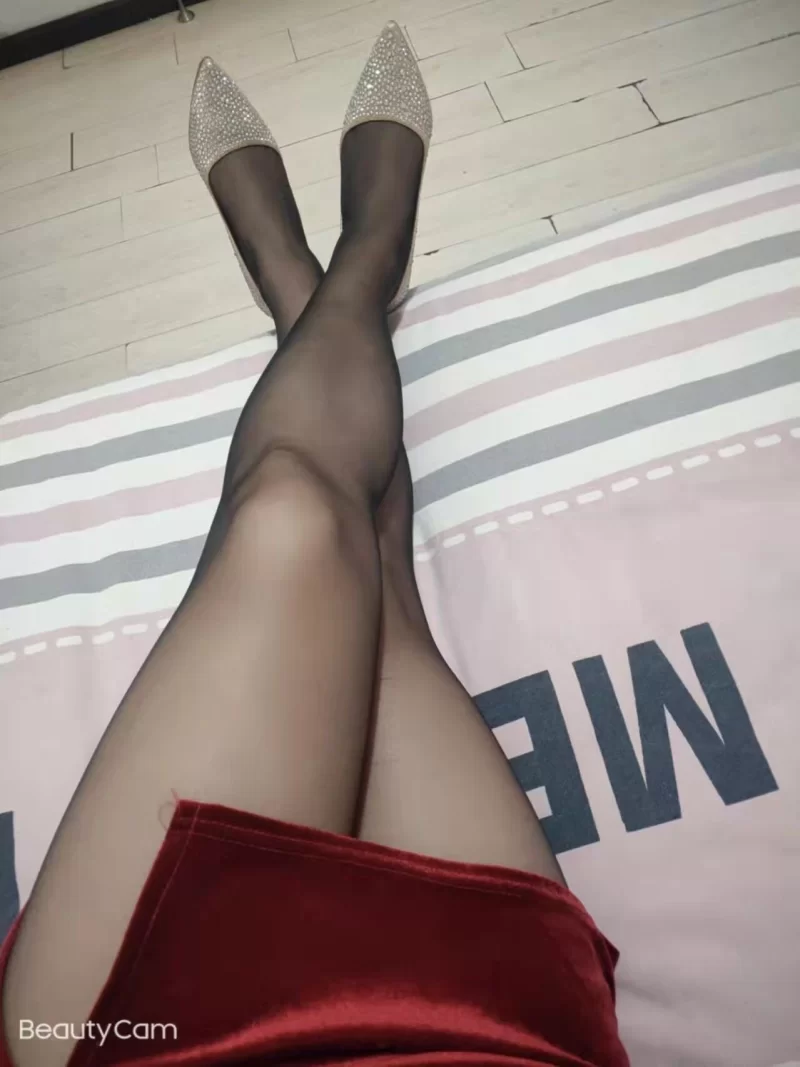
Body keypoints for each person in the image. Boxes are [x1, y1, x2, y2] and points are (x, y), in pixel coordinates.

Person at [0, 23, 628, 1067]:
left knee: (291, 511)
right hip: (477, 1029)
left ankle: (309, 280)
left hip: (129, 1035)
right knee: (371, 584)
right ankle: (362, 257)